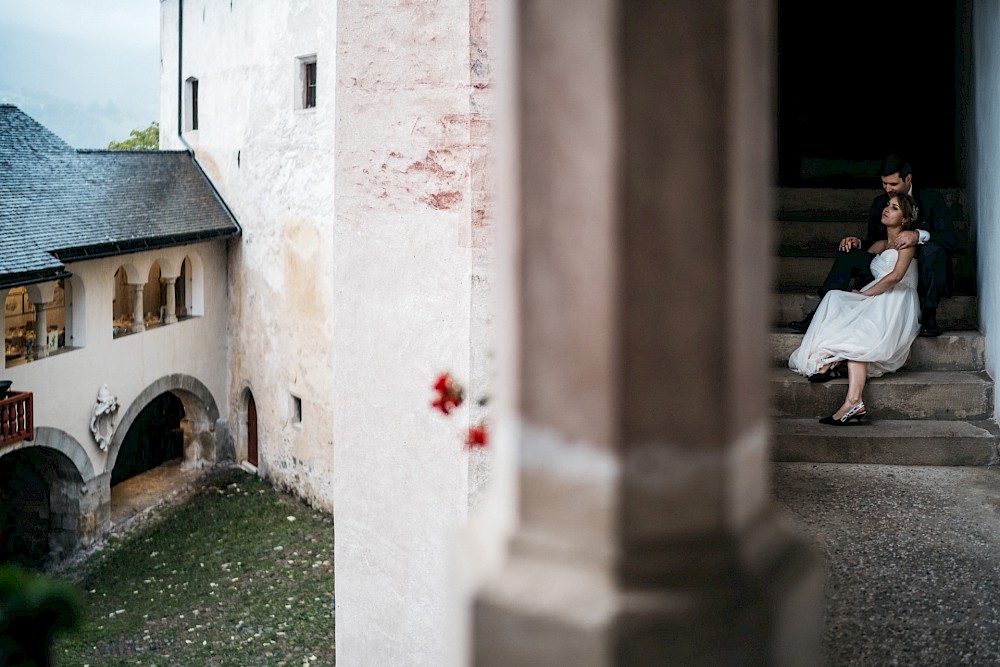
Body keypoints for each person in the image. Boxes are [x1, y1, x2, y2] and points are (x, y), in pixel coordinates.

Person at [788, 193, 921, 425]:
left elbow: (896, 276)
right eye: (887, 206)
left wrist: (865, 294)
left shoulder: (905, 244)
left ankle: (853, 400)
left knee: (860, 337)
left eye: (894, 208)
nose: (887, 210)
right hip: (876, 294)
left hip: (896, 300)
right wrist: (855, 242)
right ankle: (836, 365)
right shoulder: (880, 244)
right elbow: (863, 256)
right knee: (834, 299)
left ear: (905, 219)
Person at [789, 154, 956, 337]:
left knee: (934, 251)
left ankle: (929, 315)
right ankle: (818, 312)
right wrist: (858, 242)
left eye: (893, 184)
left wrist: (917, 235)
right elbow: (875, 241)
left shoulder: (932, 199)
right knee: (849, 254)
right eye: (884, 183)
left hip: (920, 270)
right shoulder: (880, 203)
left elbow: (950, 239)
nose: (888, 189)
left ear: (908, 179)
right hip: (885, 266)